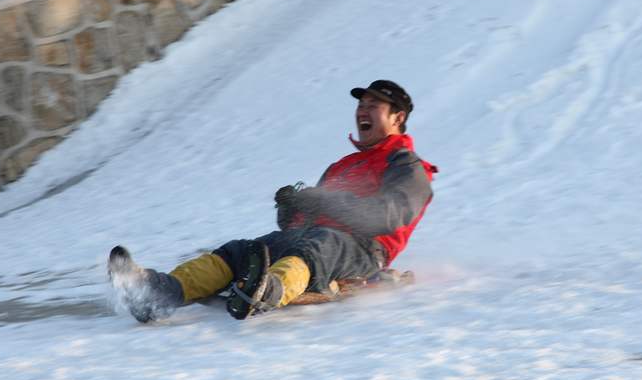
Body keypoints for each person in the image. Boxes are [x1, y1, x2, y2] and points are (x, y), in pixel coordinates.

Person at [108, 80, 437, 322]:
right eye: (360, 105)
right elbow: (299, 226)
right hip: (315, 240)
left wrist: (327, 202)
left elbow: (388, 215)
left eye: (373, 106)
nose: (362, 111)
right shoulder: (342, 165)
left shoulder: (406, 164)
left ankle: (268, 290)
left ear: (397, 117)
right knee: (241, 250)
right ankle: (154, 293)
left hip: (363, 249)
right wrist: (293, 207)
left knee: (319, 245)